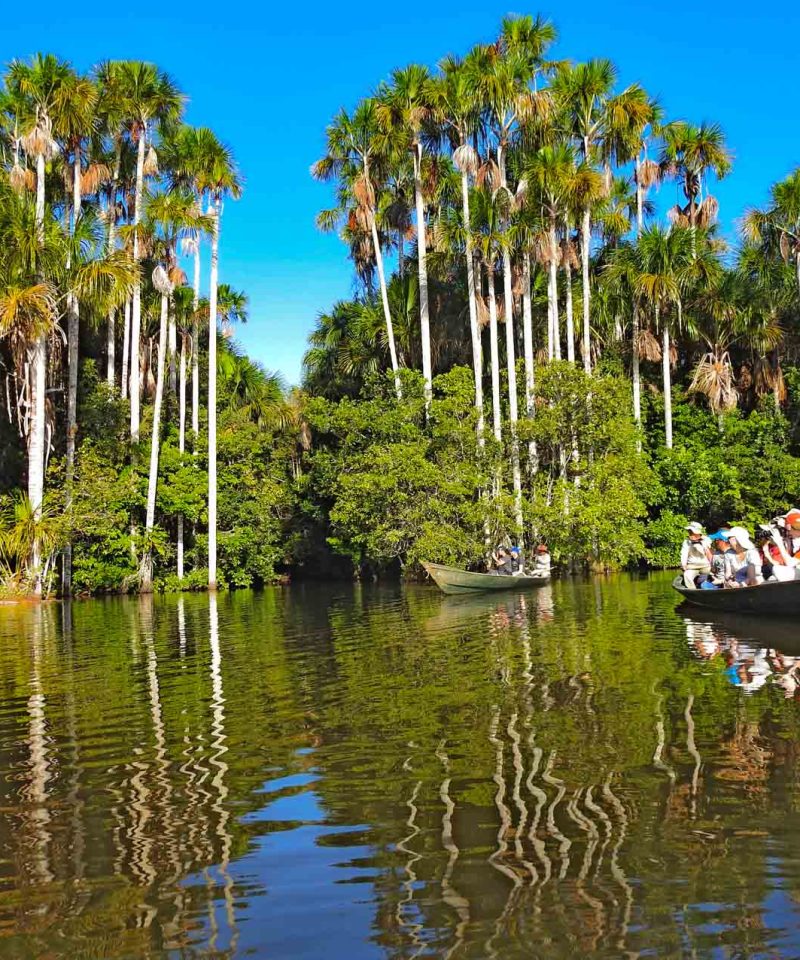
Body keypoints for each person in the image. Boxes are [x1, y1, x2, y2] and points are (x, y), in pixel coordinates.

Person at [680, 522, 711, 589]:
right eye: (689, 532)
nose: (689, 533)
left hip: (706, 565)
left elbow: (708, 553)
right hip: (692, 566)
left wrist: (698, 543)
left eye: (691, 531)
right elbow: (684, 553)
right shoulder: (686, 542)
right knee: (686, 575)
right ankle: (693, 591)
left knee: (704, 579)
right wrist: (683, 565)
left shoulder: (706, 540)